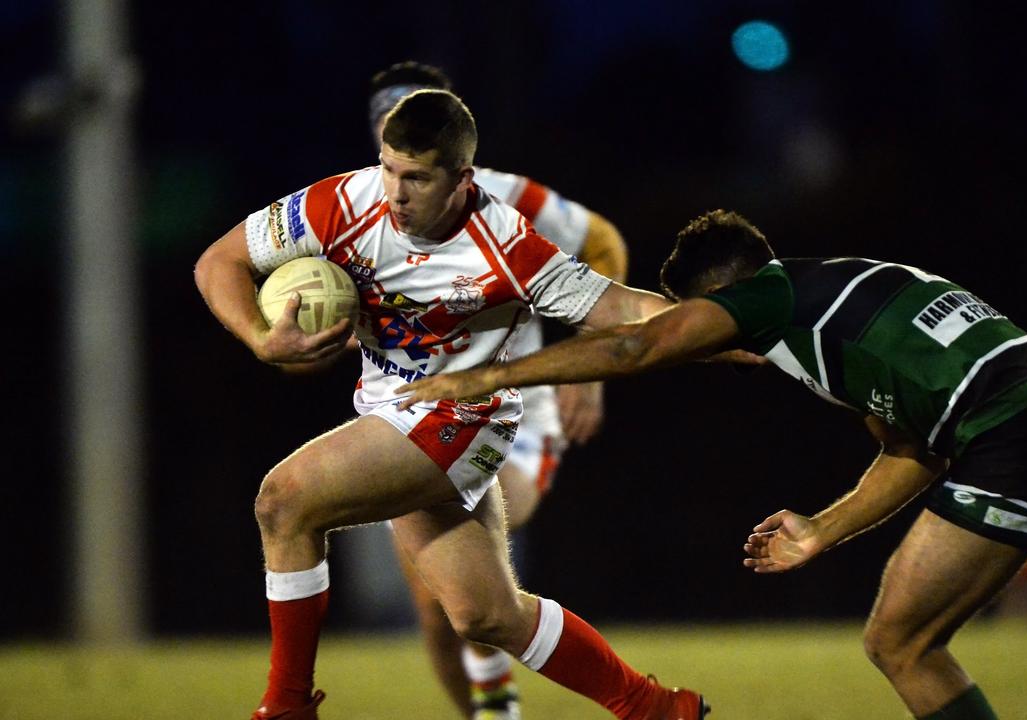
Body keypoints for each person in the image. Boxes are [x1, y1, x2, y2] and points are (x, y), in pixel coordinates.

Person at [393, 209, 1027, 720]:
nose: (708, 343)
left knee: (900, 642)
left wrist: (482, 374)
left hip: (1017, 436)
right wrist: (821, 529)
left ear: (726, 294)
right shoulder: (843, 313)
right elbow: (913, 454)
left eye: (707, 320)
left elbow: (636, 351)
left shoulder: (773, 295)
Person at [193, 88, 707, 720]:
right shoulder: (340, 205)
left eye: (416, 177)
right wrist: (261, 339)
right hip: (392, 413)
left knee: (283, 501)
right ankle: (654, 706)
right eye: (388, 169)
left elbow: (622, 308)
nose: (395, 192)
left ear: (462, 178)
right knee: (485, 613)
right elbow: (219, 261)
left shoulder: (507, 246)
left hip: (466, 420)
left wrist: (722, 326)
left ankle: (288, 706)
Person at [365, 61, 628, 719]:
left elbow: (601, 242)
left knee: (466, 569)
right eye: (389, 120)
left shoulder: (508, 197)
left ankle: (544, 696)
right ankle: (491, 711)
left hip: (512, 416)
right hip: (407, 421)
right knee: (437, 606)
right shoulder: (351, 210)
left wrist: (590, 364)